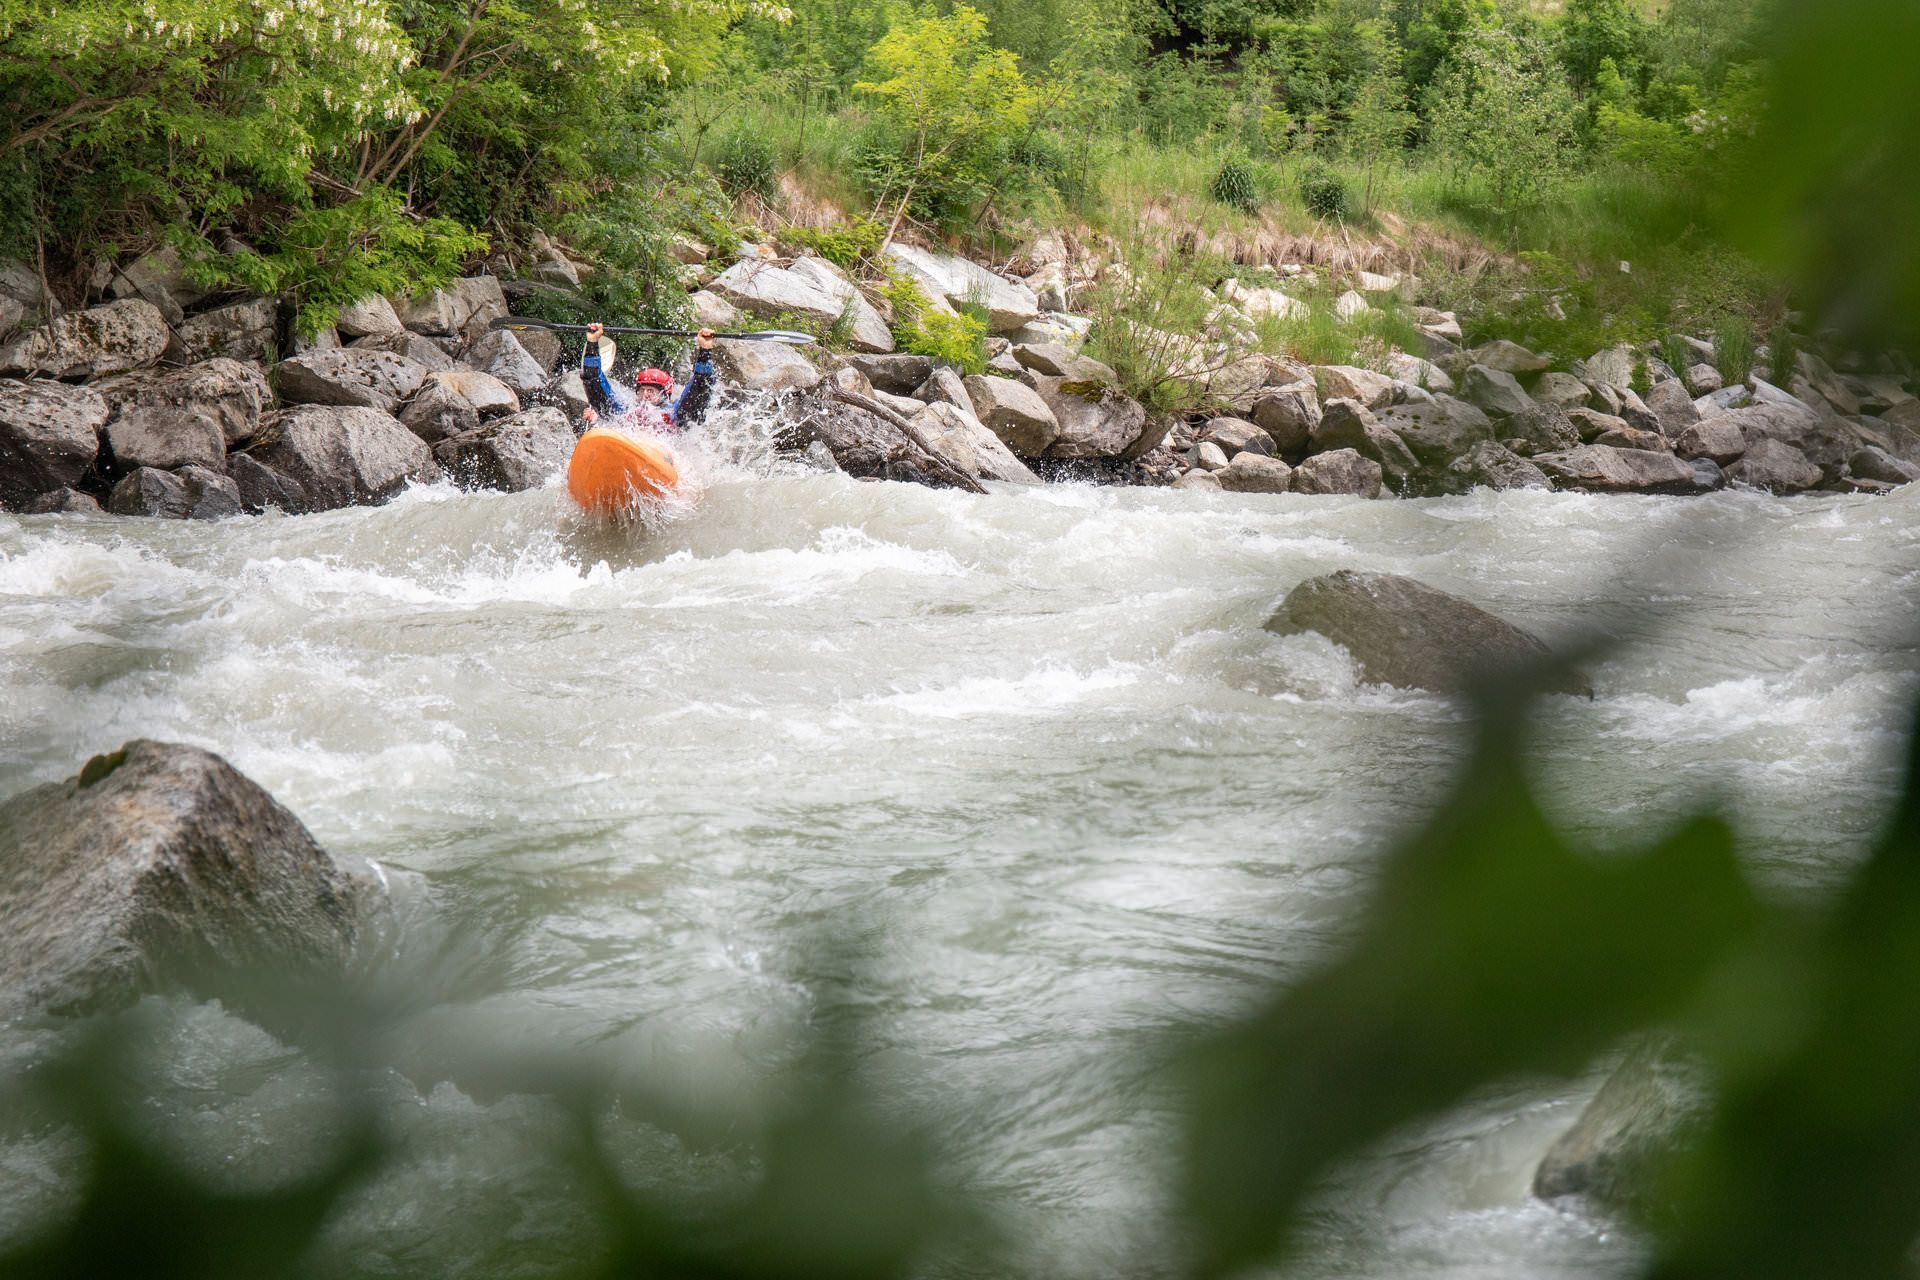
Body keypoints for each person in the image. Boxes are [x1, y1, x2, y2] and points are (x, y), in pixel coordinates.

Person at [579, 324, 719, 434]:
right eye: (641, 390)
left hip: (659, 456)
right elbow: (593, 381)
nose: (645, 395)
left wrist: (705, 351)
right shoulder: (623, 410)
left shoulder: (674, 415)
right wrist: (592, 343)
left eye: (651, 391)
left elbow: (699, 387)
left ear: (664, 394)